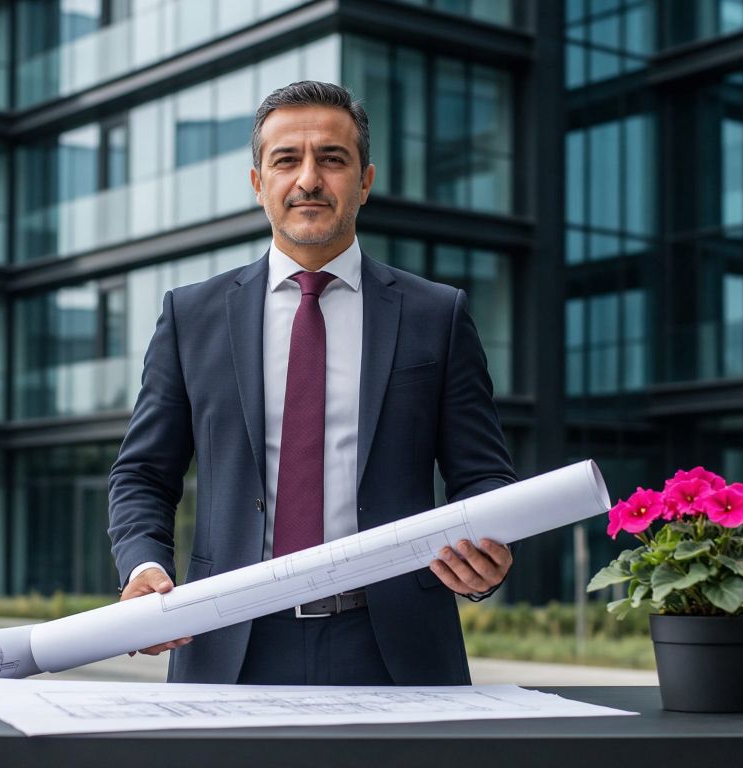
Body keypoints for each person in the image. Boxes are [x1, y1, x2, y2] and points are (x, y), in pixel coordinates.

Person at [107, 80, 516, 685]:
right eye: (286, 160)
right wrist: (142, 566)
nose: (308, 180)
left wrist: (488, 548)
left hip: (397, 649)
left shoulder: (438, 314)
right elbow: (143, 473)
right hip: (228, 646)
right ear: (258, 183)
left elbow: (483, 476)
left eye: (332, 159)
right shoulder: (191, 317)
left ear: (366, 180)